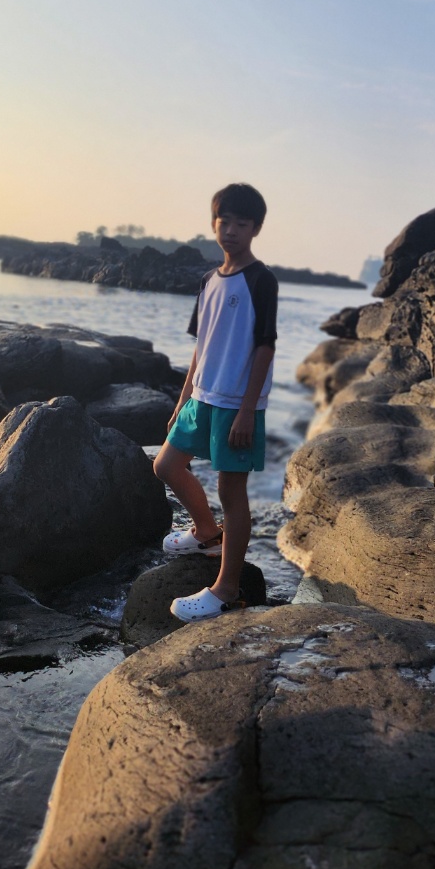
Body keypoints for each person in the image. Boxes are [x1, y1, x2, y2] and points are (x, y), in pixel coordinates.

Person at [152, 182, 278, 622]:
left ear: (255, 228)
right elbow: (201, 345)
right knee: (166, 465)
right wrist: (183, 397)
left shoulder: (261, 280)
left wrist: (247, 410)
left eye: (242, 224)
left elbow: (265, 347)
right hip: (202, 397)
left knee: (231, 490)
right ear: (213, 224)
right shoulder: (209, 281)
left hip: (236, 404)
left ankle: (226, 588)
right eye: (225, 222)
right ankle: (207, 533)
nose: (231, 231)